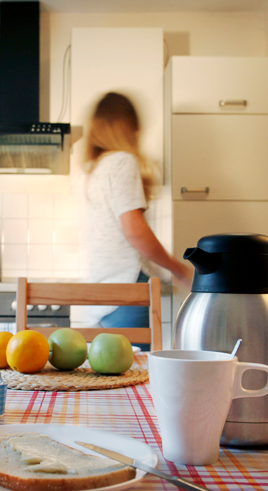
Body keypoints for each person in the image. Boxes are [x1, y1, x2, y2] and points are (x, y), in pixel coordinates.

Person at [76, 92, 192, 343]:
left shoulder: (98, 168)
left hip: (106, 293)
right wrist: (179, 269)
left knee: (115, 375)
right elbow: (134, 230)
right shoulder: (122, 161)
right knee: (135, 374)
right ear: (126, 126)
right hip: (128, 286)